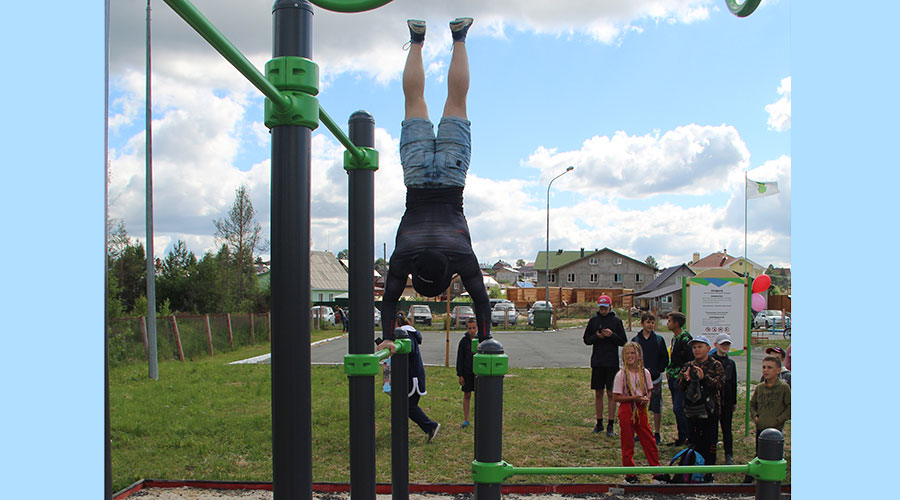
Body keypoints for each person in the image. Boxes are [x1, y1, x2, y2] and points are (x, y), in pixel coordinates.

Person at [379, 17, 492, 345]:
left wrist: (484, 339)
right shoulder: (403, 256)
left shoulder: (461, 255)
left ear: (448, 276)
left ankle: (459, 37)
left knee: (457, 101)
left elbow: (481, 301)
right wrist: (385, 337)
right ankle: (417, 40)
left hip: (452, 178)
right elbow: (388, 300)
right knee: (414, 102)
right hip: (415, 178)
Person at [378, 313, 441, 442]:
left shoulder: (405, 334)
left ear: (396, 324)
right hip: (410, 375)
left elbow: (408, 349)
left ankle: (430, 426)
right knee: (403, 405)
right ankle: (399, 431)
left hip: (412, 377)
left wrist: (395, 347)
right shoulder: (409, 333)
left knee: (407, 406)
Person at [612, 342, 667, 484]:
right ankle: (630, 474)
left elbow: (649, 390)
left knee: (648, 439)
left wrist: (646, 398)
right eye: (627, 354)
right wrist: (633, 398)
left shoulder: (645, 373)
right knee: (627, 441)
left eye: (633, 353)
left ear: (639, 356)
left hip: (641, 408)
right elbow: (616, 396)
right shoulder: (622, 374)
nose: (630, 356)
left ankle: (656, 470)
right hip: (627, 408)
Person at [677, 335, 724, 482]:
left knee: (710, 443)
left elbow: (719, 385)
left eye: (700, 346)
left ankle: (708, 473)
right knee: (693, 443)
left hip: (710, 412)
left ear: (708, 349)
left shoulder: (716, 365)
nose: (697, 350)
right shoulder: (688, 365)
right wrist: (685, 379)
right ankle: (692, 473)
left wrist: (704, 378)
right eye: (694, 347)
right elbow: (680, 387)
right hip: (692, 412)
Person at [583, 294, 627, 436]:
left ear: (610, 307)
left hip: (611, 362)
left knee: (611, 393)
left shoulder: (616, 321)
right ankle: (599, 422)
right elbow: (586, 340)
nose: (603, 310)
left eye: (605, 308)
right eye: (601, 308)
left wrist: (611, 335)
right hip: (597, 361)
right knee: (598, 393)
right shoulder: (593, 321)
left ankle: (611, 423)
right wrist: (597, 336)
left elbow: (623, 341)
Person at [744, 354, 791, 483]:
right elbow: (752, 404)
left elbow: (789, 407)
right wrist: (756, 417)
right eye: (764, 367)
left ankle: (773, 480)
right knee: (759, 453)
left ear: (778, 370)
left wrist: (779, 419)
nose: (765, 370)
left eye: (770, 367)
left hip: (775, 430)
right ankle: (750, 479)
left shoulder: (783, 388)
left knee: (774, 456)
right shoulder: (760, 388)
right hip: (761, 427)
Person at [631, 312, 669, 445]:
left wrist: (658, 370)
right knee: (639, 406)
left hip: (655, 378)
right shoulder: (636, 341)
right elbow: (631, 358)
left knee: (656, 406)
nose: (650, 325)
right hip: (639, 379)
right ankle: (640, 432)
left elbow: (665, 358)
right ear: (642, 323)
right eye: (648, 322)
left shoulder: (659, 340)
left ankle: (657, 433)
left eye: (653, 322)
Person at [664, 311, 693, 446]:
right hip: (673, 376)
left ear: (676, 323)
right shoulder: (675, 338)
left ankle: (685, 436)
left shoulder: (685, 339)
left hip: (680, 379)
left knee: (679, 408)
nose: (667, 323)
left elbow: (689, 360)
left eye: (670, 321)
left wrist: (683, 373)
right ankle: (682, 435)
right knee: (677, 407)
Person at [711, 333, 738, 465]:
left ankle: (729, 454)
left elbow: (733, 383)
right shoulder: (710, 361)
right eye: (722, 344)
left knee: (727, 429)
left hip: (727, 401)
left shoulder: (731, 364)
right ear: (716, 345)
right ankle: (712, 454)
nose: (725, 347)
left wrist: (734, 401)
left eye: (727, 344)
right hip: (713, 402)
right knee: (712, 429)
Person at [456, 318, 478, 428]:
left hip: (479, 372)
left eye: (474, 328)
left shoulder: (482, 341)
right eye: (470, 328)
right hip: (467, 372)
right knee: (467, 394)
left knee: (480, 396)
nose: (472, 330)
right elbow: (460, 358)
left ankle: (480, 418)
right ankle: (466, 419)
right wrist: (460, 374)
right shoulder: (463, 342)